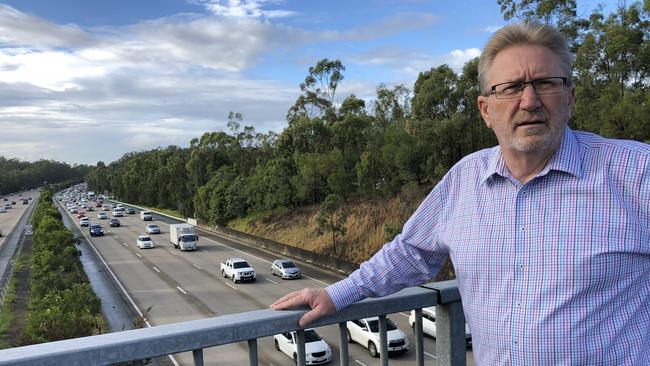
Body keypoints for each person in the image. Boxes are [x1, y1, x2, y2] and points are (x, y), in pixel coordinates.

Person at [271, 21, 649, 365]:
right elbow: (410, 251)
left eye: (547, 83)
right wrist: (338, 294)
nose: (530, 100)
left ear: (569, 97)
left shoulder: (636, 172)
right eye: (512, 87)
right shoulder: (464, 180)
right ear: (486, 110)